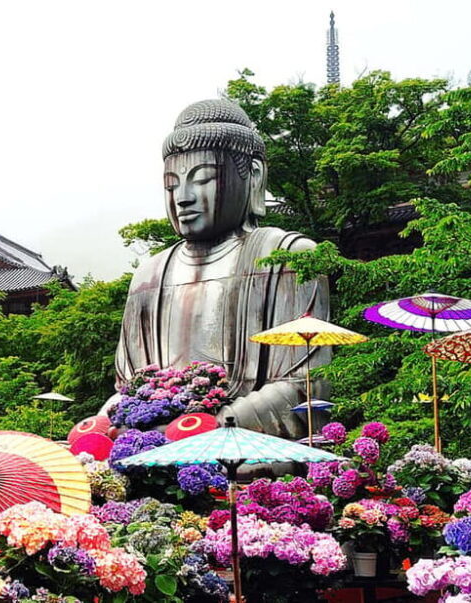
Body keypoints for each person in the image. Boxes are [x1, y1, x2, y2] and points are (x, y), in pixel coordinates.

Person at [113, 98, 329, 439]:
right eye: (171, 185)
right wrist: (110, 421)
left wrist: (208, 429)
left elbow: (306, 386)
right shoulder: (149, 276)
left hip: (242, 439)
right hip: (156, 438)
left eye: (203, 179)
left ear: (253, 176)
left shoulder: (288, 256)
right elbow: (128, 389)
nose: (182, 197)